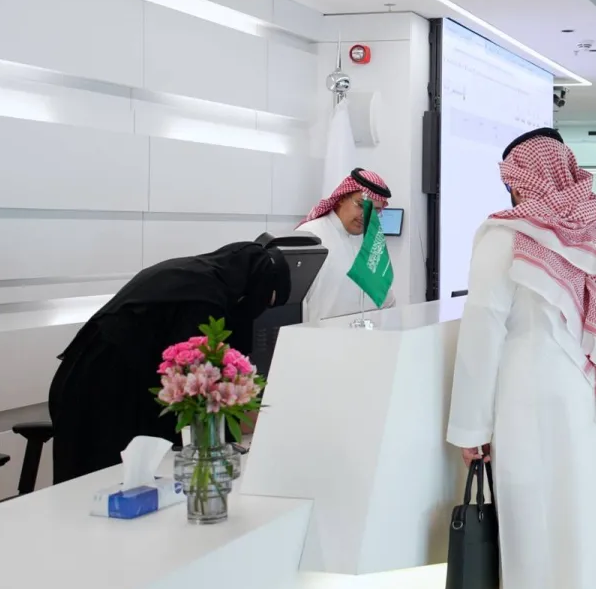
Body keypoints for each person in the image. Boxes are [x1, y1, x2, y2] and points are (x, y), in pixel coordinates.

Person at [446, 128, 596, 589]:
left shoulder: (505, 235)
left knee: (533, 525)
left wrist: (471, 428)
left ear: (519, 179)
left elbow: (483, 327)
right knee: (585, 525)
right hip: (594, 404)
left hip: (530, 402)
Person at [48, 240, 295, 483]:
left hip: (102, 376)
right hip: (101, 387)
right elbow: (189, 382)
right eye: (265, 298)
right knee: (100, 481)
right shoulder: (204, 297)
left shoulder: (201, 278)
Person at [296, 168, 396, 324]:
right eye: (361, 205)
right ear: (342, 198)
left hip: (368, 336)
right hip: (320, 336)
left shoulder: (371, 241)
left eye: (375, 210)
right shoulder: (310, 236)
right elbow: (294, 305)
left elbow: (386, 301)